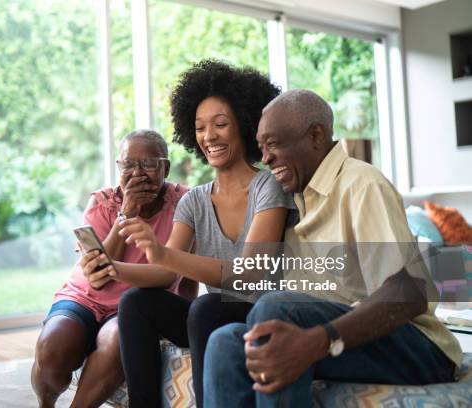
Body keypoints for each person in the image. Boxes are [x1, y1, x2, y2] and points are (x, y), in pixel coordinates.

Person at [204, 89, 462, 407]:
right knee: (223, 343)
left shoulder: (361, 184)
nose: (266, 158)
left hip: (417, 347)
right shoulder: (290, 197)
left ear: (316, 136)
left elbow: (409, 292)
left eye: (273, 144)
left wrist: (319, 340)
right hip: (341, 335)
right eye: (261, 148)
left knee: (278, 309)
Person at [116, 60, 297, 407]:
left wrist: (164, 253)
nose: (208, 136)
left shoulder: (269, 187)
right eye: (200, 127)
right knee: (136, 302)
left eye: (220, 124)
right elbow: (165, 272)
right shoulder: (194, 201)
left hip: (262, 311)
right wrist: (114, 270)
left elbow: (251, 273)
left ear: (244, 125)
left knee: (204, 306)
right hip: (213, 312)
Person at [31, 129, 189, 408]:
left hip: (134, 307)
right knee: (52, 350)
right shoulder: (102, 203)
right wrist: (126, 214)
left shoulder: (182, 204)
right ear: (119, 167)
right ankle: (46, 402)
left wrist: (182, 316)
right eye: (128, 164)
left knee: (116, 340)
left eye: (149, 164)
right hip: (85, 297)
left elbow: (181, 274)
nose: (137, 173)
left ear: (166, 166)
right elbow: (99, 279)